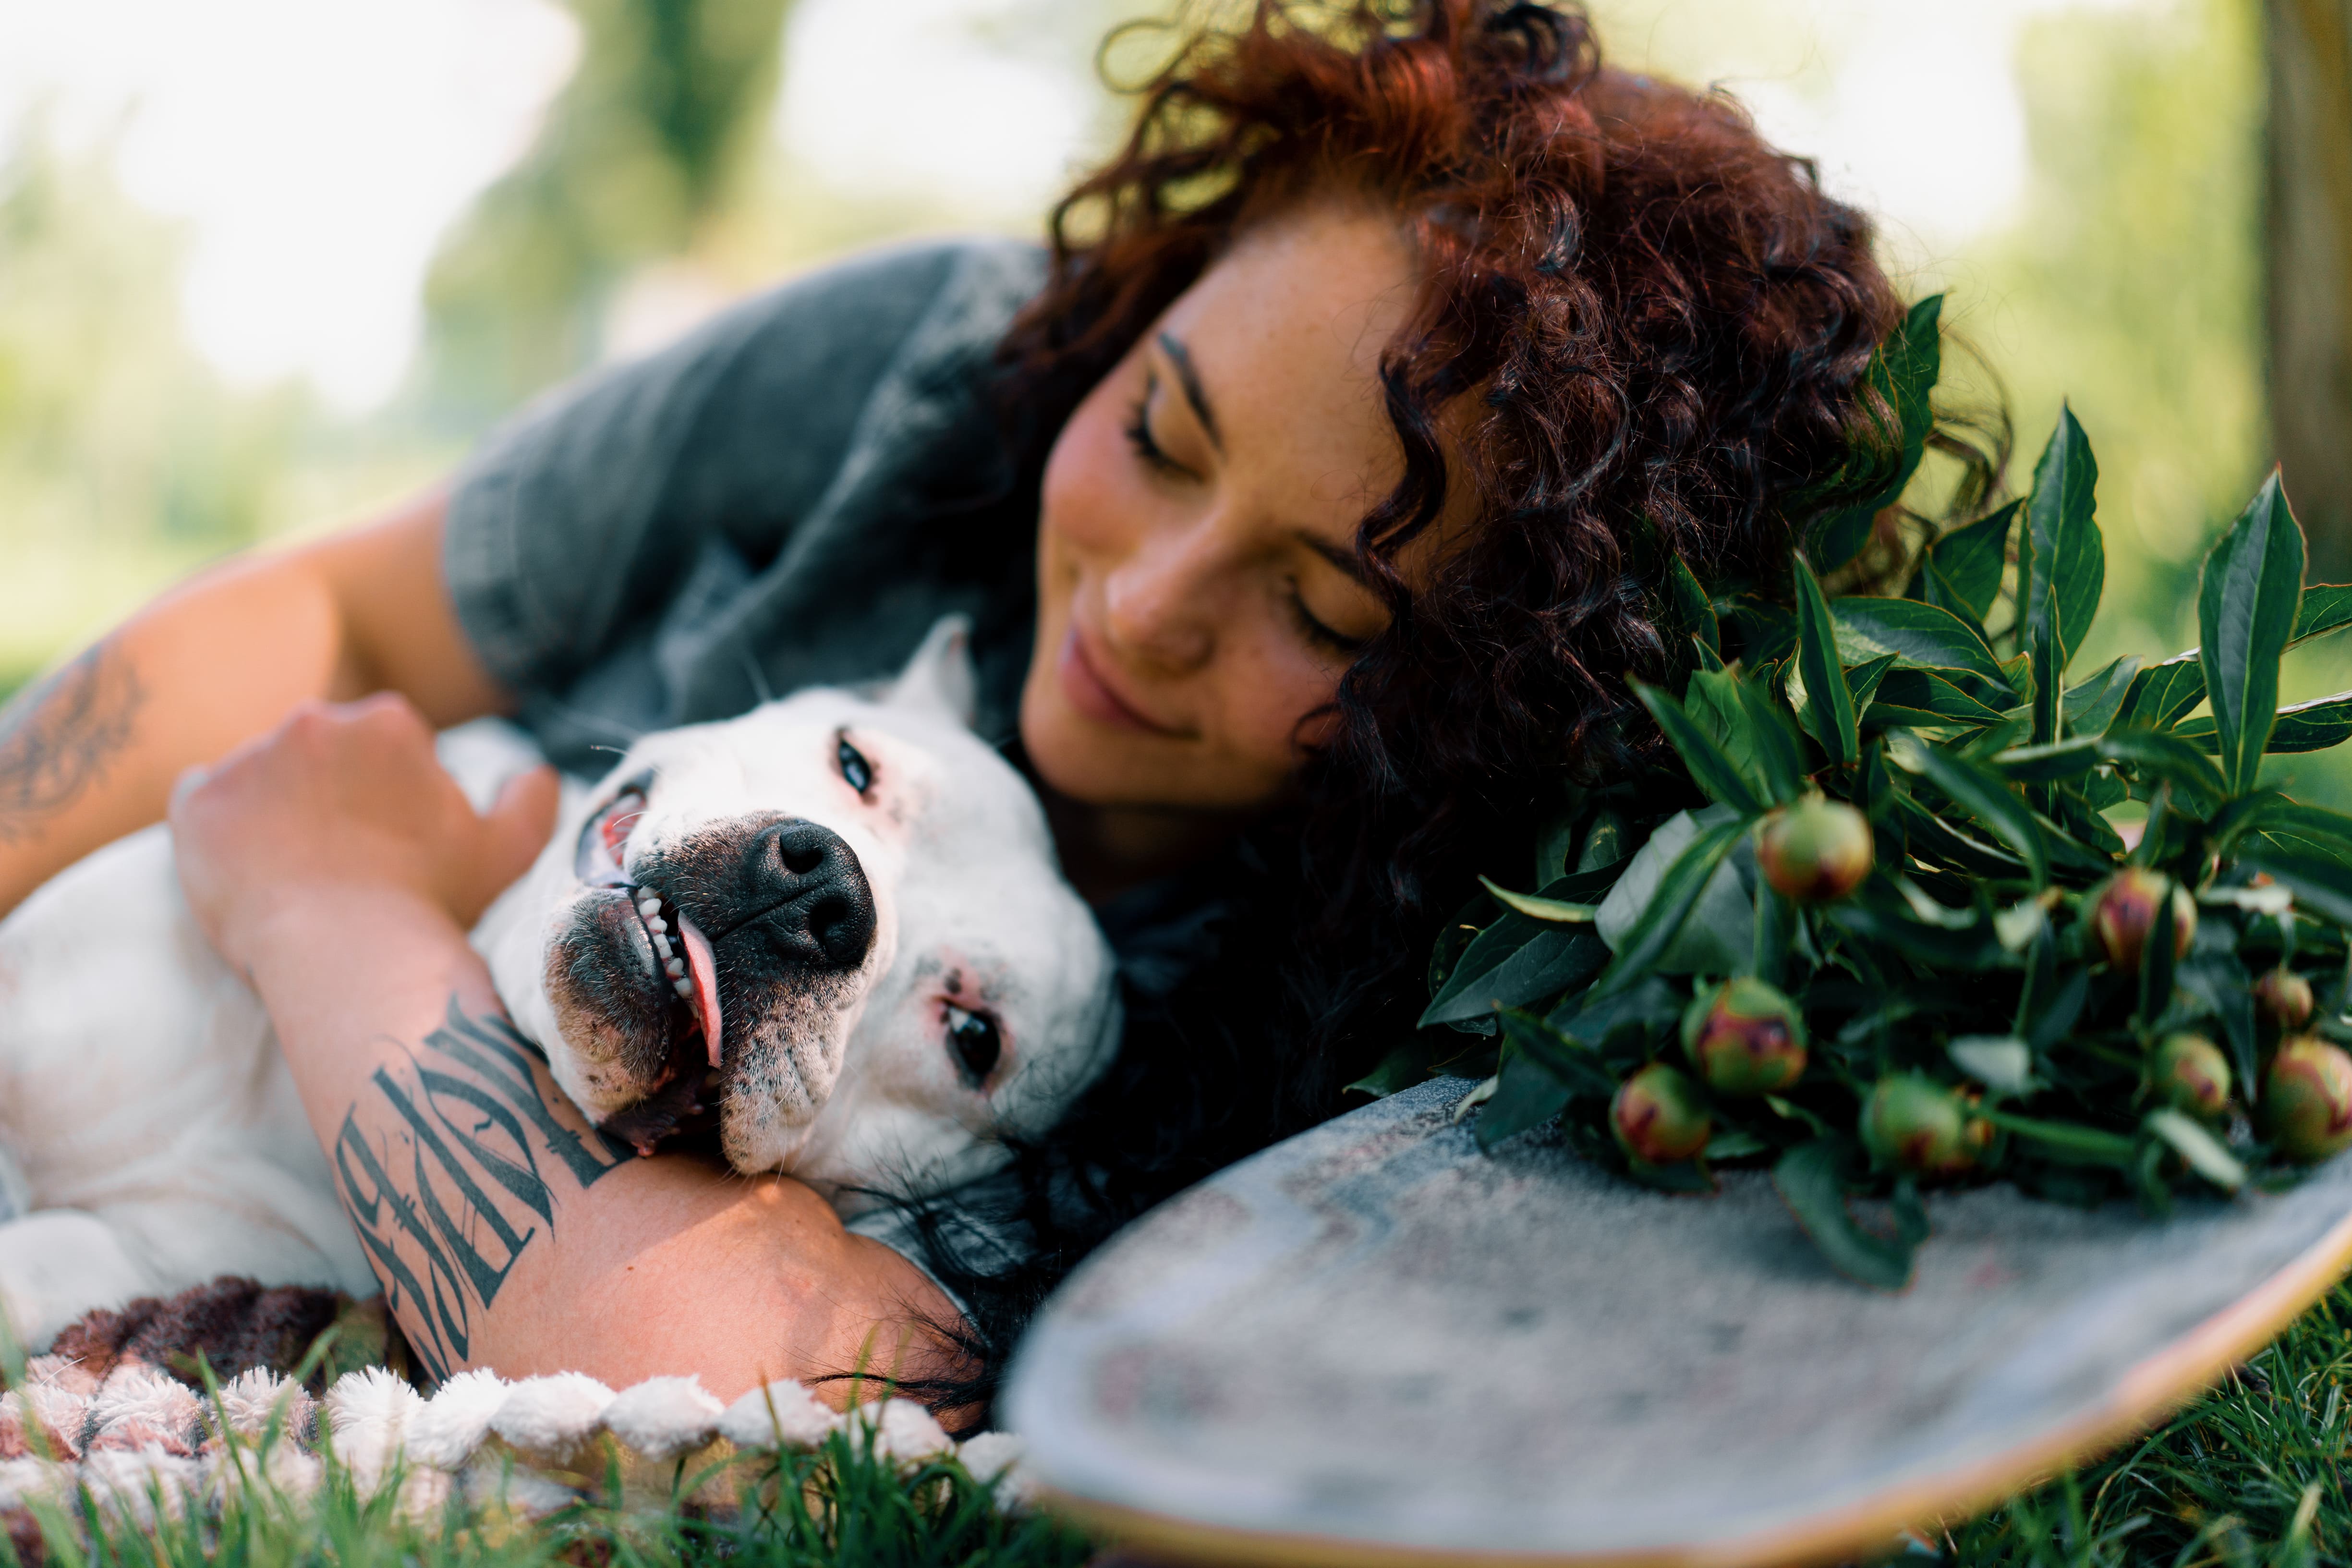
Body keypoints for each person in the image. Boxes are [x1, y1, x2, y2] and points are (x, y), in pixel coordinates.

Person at [0, 0, 1961, 1418]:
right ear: (1140, 309)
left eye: (1317, 602)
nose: (1143, 599)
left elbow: (691, 1366)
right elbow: (342, 609)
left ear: (1475, 717)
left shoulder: (1340, 1054)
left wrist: (327, 902)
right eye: (1164, 429)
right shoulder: (934, 359)